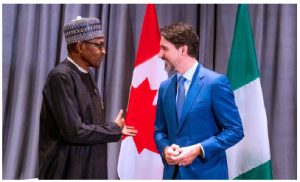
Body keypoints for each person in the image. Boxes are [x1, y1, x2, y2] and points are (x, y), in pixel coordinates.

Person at [39, 17, 137, 179]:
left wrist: (115, 130)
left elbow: (88, 125)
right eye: (99, 45)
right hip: (67, 169)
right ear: (80, 46)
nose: (103, 51)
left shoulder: (86, 74)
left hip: (90, 165)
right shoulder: (61, 77)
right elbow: (74, 131)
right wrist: (112, 129)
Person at [154, 22, 244, 179]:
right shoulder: (165, 87)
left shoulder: (215, 83)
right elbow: (160, 131)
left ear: (183, 50)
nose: (159, 54)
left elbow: (235, 130)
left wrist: (199, 149)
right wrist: (165, 149)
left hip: (206, 174)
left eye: (165, 48)